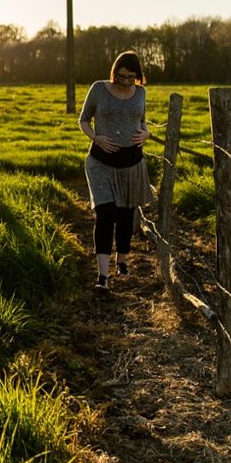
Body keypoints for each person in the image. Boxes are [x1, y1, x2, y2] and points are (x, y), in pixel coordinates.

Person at [78, 50, 152, 291]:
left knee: (126, 214)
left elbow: (142, 120)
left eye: (132, 77)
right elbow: (83, 120)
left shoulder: (140, 92)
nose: (127, 81)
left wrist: (146, 132)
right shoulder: (98, 88)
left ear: (138, 76)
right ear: (114, 73)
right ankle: (102, 276)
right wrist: (96, 138)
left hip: (131, 161)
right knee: (105, 213)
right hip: (101, 161)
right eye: (122, 76)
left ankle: (122, 260)